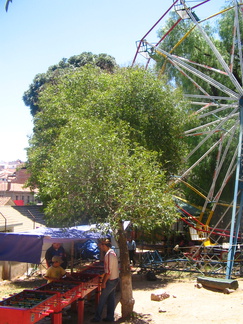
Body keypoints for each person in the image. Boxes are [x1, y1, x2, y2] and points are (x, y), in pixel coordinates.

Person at [91, 239, 119, 323]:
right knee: (111, 299)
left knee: (102, 299)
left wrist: (103, 282)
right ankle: (110, 317)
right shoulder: (112, 253)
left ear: (104, 245)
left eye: (101, 246)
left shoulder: (109, 255)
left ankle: (97, 317)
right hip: (115, 278)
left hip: (111, 280)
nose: (100, 248)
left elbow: (108, 271)